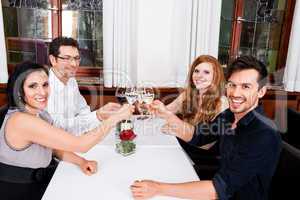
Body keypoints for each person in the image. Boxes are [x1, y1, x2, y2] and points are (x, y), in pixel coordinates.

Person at [131, 56, 281, 200]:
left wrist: (158, 188)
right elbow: (197, 136)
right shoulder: (229, 115)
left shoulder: (263, 134)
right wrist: (167, 115)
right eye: (232, 85)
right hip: (217, 184)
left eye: (246, 87)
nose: (235, 93)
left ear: (261, 91)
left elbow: (219, 189)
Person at [0, 61, 133, 200]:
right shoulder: (21, 120)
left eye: (45, 85)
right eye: (33, 86)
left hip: (41, 182)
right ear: (19, 91)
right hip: (19, 191)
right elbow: (81, 144)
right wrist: (115, 118)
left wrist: (81, 162)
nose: (42, 92)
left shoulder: (41, 114)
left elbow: (53, 147)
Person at [150, 55, 228, 178]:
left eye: (206, 72)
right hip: (186, 149)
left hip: (205, 160)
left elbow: (206, 142)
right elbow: (165, 111)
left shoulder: (222, 102)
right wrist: (149, 106)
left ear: (215, 77)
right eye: (196, 71)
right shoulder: (188, 95)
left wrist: (175, 129)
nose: (199, 76)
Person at [47, 36, 120, 135]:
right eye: (67, 58)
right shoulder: (44, 87)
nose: (74, 64)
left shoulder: (71, 80)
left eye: (76, 58)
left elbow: (83, 110)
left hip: (76, 136)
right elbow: (58, 126)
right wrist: (97, 116)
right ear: (53, 60)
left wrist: (96, 121)